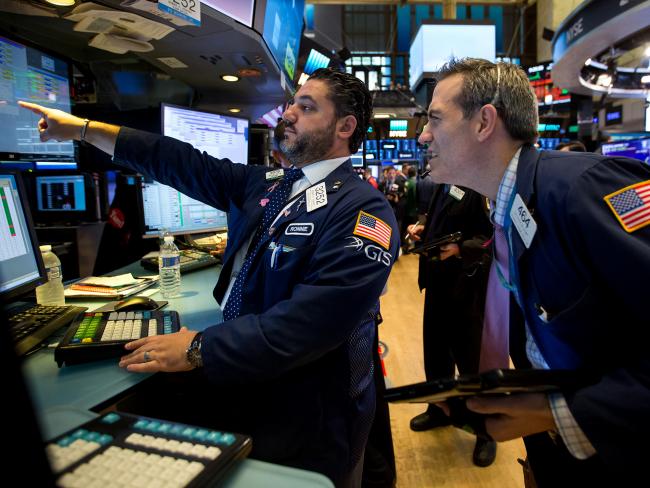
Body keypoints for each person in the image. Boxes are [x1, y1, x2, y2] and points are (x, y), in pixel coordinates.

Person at [20, 67, 400, 488]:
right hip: (244, 374)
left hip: (303, 408)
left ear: (345, 127)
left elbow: (310, 324)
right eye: (292, 103)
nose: (289, 113)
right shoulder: (272, 184)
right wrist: (85, 130)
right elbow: (179, 162)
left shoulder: (363, 210)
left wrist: (200, 347)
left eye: (307, 107)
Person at [417, 57, 650, 485]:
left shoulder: (585, 189)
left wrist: (559, 412)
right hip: (558, 447)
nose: (423, 134)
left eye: (434, 118)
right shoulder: (504, 209)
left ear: (484, 121)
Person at [406, 183, 495, 467]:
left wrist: (460, 248)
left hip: (467, 290)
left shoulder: (479, 186)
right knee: (436, 353)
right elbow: (442, 221)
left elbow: (494, 239)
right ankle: (439, 410)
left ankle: (485, 430)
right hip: (438, 285)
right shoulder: (443, 185)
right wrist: (424, 229)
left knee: (472, 362)